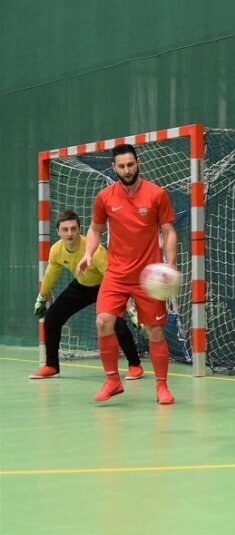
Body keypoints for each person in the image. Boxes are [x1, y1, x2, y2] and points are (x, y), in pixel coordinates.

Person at [76, 143, 177, 405]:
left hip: (148, 277)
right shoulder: (104, 197)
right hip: (116, 274)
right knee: (103, 322)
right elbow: (95, 230)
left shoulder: (157, 194)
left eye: (130, 164)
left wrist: (170, 263)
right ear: (114, 167)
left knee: (154, 330)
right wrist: (88, 253)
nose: (126, 169)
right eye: (121, 166)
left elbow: (168, 231)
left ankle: (162, 387)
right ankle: (113, 380)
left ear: (138, 163)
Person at [30, 210, 143, 380]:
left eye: (73, 228)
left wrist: (130, 308)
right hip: (81, 286)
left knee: (115, 322)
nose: (70, 233)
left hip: (105, 286)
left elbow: (113, 278)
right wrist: (41, 297)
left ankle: (135, 365)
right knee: (52, 317)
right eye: (65, 229)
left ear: (80, 229)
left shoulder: (95, 250)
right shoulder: (56, 250)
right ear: (58, 231)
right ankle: (52, 366)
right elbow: (51, 274)